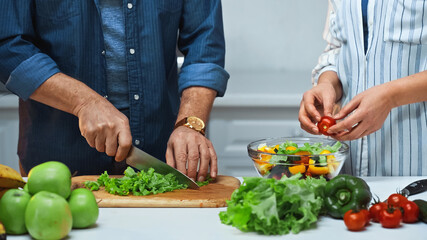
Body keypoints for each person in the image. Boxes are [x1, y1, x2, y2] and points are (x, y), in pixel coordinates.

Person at [0, 0, 229, 182]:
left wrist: (190, 123)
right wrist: (84, 102)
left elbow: (205, 44)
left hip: (159, 155)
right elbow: (8, 47)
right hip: (59, 158)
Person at [299, 0, 427, 176]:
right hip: (348, 172)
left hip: (417, 171)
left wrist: (391, 97)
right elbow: (337, 50)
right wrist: (327, 84)